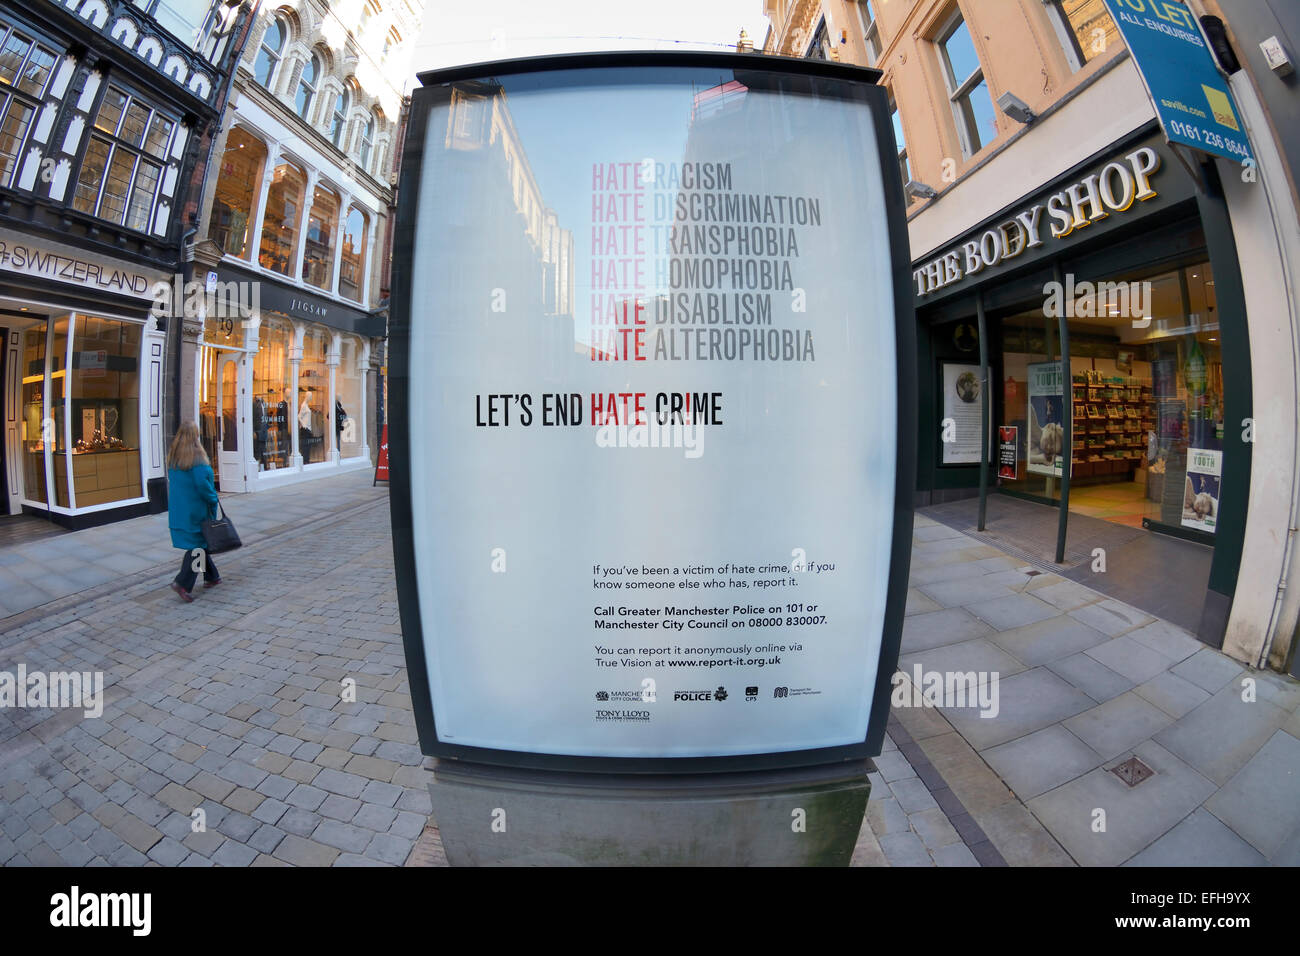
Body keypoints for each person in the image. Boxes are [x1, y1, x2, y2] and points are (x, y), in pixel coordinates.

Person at [167, 421, 221, 602]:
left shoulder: (174, 456)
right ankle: (183, 582)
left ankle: (212, 577)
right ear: (195, 435)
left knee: (200, 544)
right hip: (197, 511)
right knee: (197, 547)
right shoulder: (197, 457)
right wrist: (213, 499)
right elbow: (203, 486)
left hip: (181, 511)